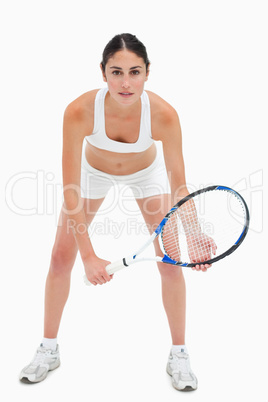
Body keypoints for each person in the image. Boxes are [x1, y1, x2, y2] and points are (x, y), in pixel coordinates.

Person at [20, 33, 211, 391]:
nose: (126, 82)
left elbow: (180, 184)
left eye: (135, 72)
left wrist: (194, 233)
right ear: (103, 73)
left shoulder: (164, 116)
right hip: (92, 176)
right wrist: (89, 256)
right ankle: (48, 348)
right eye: (117, 71)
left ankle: (179, 353)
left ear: (148, 73)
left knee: (170, 261)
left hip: (147, 175)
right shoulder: (78, 111)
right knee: (61, 258)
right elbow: (71, 190)